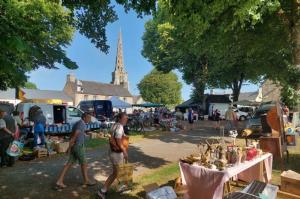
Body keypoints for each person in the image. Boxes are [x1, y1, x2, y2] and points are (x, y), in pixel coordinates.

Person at [55, 113, 95, 189]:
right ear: (84, 117)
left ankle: (59, 181)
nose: (90, 119)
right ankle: (86, 180)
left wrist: (70, 147)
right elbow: (75, 135)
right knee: (84, 163)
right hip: (78, 146)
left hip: (75, 146)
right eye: (88, 117)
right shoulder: (81, 124)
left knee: (69, 164)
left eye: (90, 118)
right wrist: (69, 148)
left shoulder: (78, 123)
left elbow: (72, 135)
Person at [97, 112, 129, 199]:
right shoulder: (120, 126)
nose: (126, 120)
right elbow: (118, 140)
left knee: (116, 172)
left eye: (127, 119)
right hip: (117, 153)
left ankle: (107, 190)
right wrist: (124, 151)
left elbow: (111, 137)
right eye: (124, 118)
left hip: (112, 151)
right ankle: (103, 190)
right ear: (119, 119)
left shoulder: (114, 125)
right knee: (117, 172)